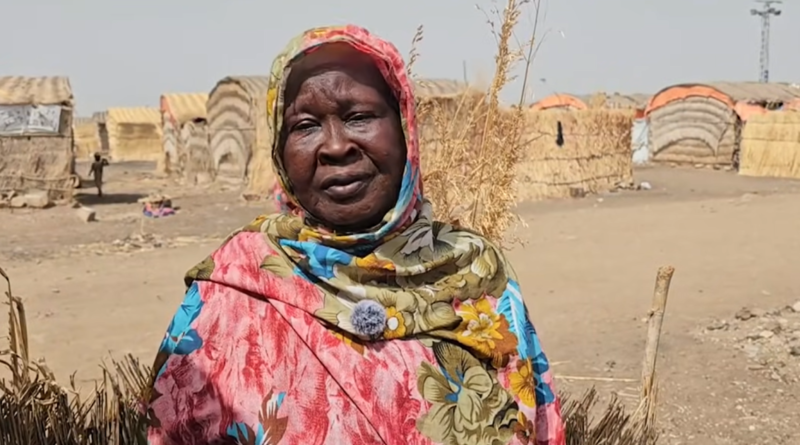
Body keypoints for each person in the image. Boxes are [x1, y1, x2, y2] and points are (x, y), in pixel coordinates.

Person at [145, 25, 564, 445]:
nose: (335, 146)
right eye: (306, 126)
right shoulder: (236, 282)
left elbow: (539, 423)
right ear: (280, 150)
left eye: (358, 117)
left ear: (405, 131)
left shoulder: (472, 268)